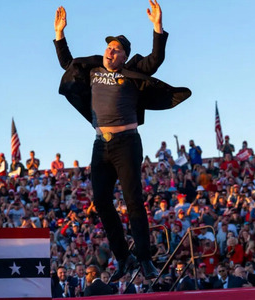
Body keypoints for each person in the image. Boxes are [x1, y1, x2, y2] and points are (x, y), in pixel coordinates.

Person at [53, 0, 190, 281]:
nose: (110, 51)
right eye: (108, 47)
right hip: (99, 144)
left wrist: (157, 27)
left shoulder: (131, 72)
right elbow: (69, 64)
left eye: (116, 49)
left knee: (134, 201)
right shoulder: (93, 70)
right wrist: (60, 35)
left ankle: (144, 259)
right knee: (101, 202)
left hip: (127, 142)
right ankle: (123, 258)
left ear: (124, 56)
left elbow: (155, 60)